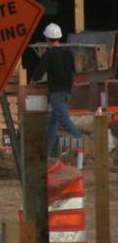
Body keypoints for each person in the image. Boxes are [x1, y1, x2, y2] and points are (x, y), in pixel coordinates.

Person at [30, 22, 82, 154]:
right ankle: (47, 151)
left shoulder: (49, 54)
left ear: (47, 39)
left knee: (63, 119)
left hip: (57, 92)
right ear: (59, 37)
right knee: (53, 121)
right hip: (67, 92)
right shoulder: (68, 54)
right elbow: (72, 71)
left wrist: (33, 82)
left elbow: (39, 72)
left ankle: (80, 139)